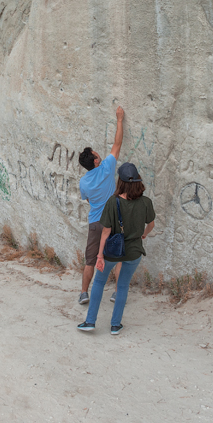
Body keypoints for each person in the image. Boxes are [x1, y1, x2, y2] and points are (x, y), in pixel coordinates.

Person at [77, 163, 156, 335]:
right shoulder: (146, 202)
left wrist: (99, 255)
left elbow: (105, 231)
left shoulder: (113, 202)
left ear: (120, 181)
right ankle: (115, 325)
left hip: (112, 252)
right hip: (134, 252)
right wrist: (143, 234)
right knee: (123, 286)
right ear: (137, 181)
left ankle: (90, 321)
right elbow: (151, 224)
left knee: (98, 282)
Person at [77, 106, 125, 305]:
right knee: (119, 256)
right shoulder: (106, 168)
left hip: (95, 222)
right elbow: (117, 143)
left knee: (90, 259)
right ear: (96, 160)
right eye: (96, 153)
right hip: (113, 220)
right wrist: (120, 120)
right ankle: (116, 293)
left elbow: (87, 199)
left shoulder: (84, 182)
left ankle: (83, 293)